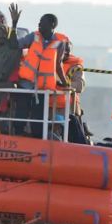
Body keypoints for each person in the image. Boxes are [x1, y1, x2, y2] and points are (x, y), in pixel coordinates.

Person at [14, 8, 68, 137]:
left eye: (42, 22)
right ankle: (18, 138)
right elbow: (16, 45)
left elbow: (58, 64)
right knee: (20, 115)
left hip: (43, 88)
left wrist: (65, 83)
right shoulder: (33, 36)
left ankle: (37, 142)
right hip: (26, 84)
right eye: (39, 22)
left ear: (52, 25)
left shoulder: (60, 43)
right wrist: (14, 23)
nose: (39, 24)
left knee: (38, 120)